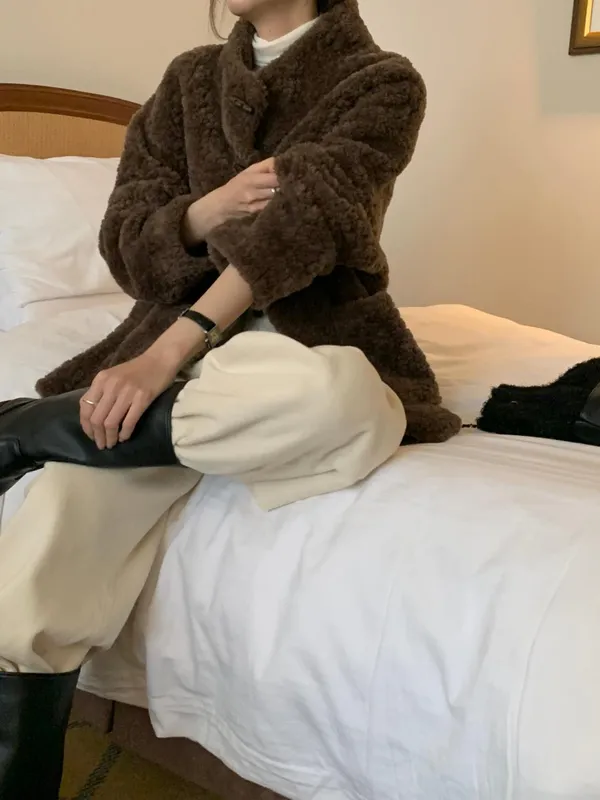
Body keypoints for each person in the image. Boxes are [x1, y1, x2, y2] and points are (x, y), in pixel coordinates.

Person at [0, 0, 461, 796]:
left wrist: (168, 352)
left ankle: (34, 430)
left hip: (299, 340)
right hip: (174, 358)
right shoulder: (187, 81)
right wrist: (203, 212)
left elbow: (306, 221)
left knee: (345, 403)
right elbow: (125, 239)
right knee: (46, 554)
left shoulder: (381, 81)